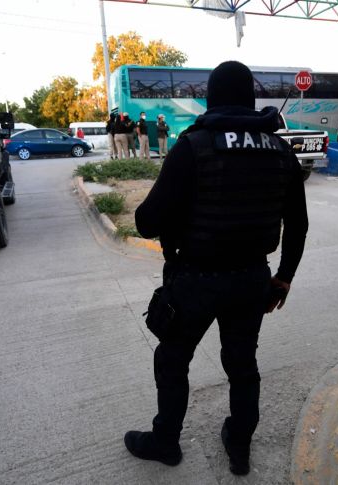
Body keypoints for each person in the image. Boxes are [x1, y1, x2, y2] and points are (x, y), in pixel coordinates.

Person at [125, 61, 309, 476]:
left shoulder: (194, 146)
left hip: (195, 280)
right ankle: (239, 447)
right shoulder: (281, 151)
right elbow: (297, 224)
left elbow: (146, 222)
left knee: (172, 360)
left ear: (210, 98)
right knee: (243, 366)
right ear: (250, 100)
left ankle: (165, 441)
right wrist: (283, 278)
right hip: (252, 278)